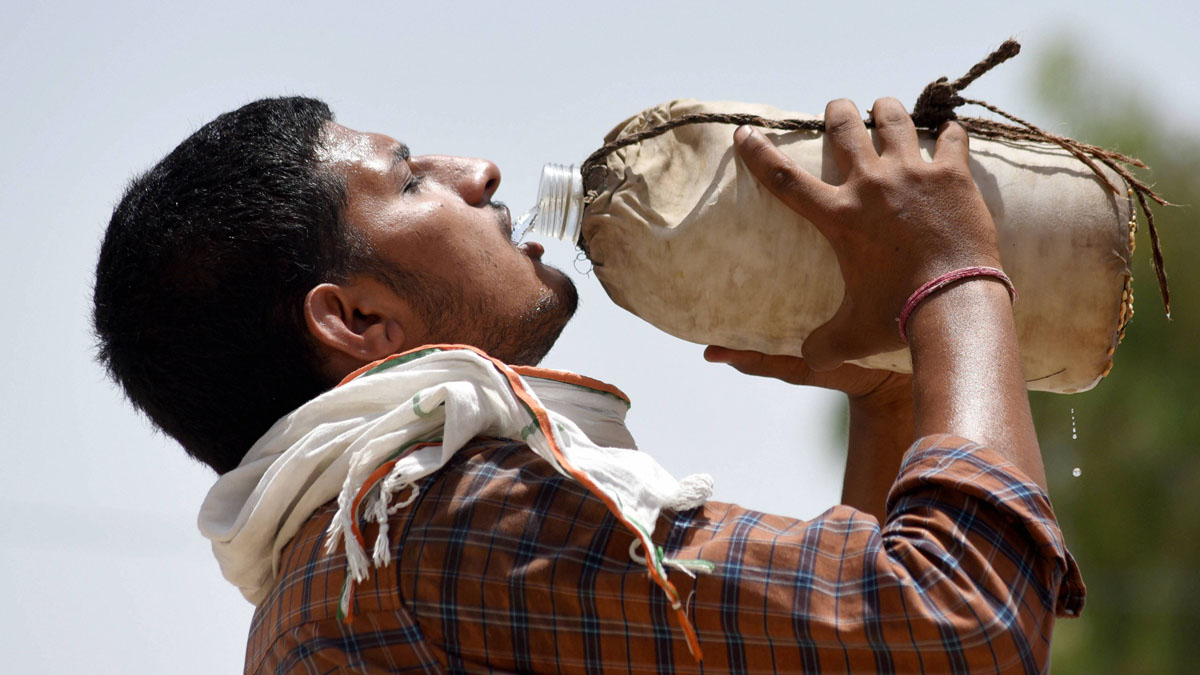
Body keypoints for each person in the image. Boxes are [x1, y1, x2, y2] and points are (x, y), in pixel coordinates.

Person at [93, 95, 1083, 673]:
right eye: (410, 180)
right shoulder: (442, 521)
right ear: (355, 320)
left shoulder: (338, 573)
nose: (478, 172)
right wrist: (954, 272)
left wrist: (891, 398)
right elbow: (964, 628)